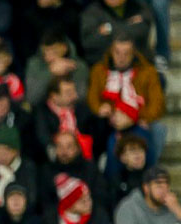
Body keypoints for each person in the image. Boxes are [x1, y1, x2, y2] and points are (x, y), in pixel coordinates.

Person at [88, 32, 165, 167]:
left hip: (138, 119)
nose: (121, 58)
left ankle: (149, 174)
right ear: (111, 52)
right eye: (117, 53)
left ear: (133, 53)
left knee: (158, 129)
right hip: (109, 122)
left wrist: (132, 117)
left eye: (126, 53)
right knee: (96, 127)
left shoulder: (148, 72)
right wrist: (104, 110)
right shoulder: (99, 71)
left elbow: (157, 106)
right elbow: (92, 100)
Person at [33, 76, 96, 165]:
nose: (75, 96)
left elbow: (92, 133)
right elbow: (43, 138)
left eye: (74, 91)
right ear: (54, 97)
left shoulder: (82, 109)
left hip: (82, 159)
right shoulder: (42, 112)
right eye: (68, 93)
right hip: (54, 161)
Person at [24, 29, 89, 107]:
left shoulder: (78, 66)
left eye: (54, 51)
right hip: (44, 112)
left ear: (64, 48)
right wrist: (50, 73)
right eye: (45, 52)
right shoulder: (35, 64)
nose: (48, 57)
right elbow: (32, 98)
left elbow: (82, 96)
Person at [80, 0, 154, 64]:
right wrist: (127, 26)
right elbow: (89, 43)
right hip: (103, 65)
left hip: (137, 64)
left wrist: (109, 29)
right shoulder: (91, 11)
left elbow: (142, 32)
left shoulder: (139, 7)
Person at [108, 132, 148, 203]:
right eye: (132, 151)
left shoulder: (153, 177)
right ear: (122, 157)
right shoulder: (117, 179)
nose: (138, 155)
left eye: (141, 150)